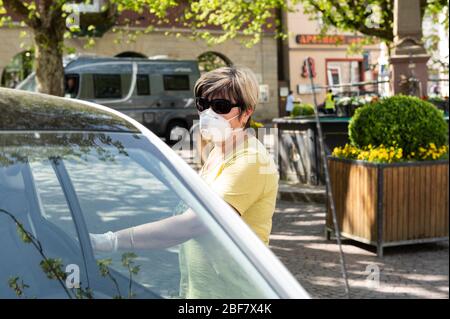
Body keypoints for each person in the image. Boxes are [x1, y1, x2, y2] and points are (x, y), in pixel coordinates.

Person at [89, 66, 279, 298]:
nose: (209, 113)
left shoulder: (249, 160)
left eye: (221, 107)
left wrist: (111, 241)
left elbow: (195, 223)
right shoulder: (216, 153)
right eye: (203, 104)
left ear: (247, 112)